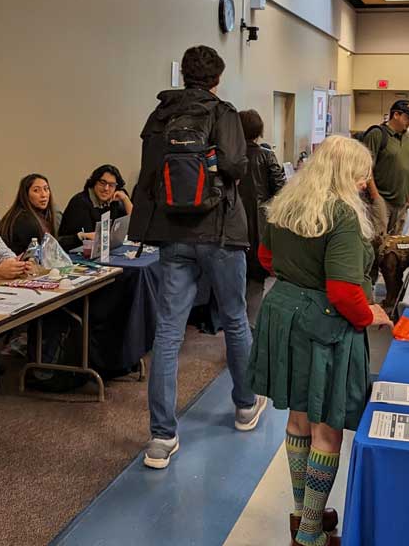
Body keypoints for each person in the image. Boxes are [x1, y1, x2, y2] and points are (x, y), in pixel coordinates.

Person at [249, 135, 393, 546]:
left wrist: (300, 279)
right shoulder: (344, 215)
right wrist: (371, 315)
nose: (367, 181)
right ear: (348, 172)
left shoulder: (288, 204)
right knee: (327, 429)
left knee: (298, 419)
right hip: (324, 325)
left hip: (283, 314)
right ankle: (310, 534)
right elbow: (345, 292)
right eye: (363, 173)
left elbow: (266, 259)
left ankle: (302, 515)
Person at [129, 45, 265, 469]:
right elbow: (235, 166)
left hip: (173, 236)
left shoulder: (159, 115)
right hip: (221, 232)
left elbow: (149, 175)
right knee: (235, 320)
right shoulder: (223, 113)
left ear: (184, 75)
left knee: (168, 333)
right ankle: (244, 406)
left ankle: (161, 438)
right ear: (216, 78)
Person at [238, 109, 287, 318]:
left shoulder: (230, 158)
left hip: (234, 221)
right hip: (260, 223)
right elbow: (282, 190)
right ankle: (252, 320)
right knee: (257, 275)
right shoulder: (267, 156)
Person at [362, 100, 409, 240]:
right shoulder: (377, 134)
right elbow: (365, 168)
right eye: (407, 117)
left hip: (402, 202)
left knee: (394, 245)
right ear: (396, 115)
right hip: (382, 199)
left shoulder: (408, 138)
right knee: (377, 242)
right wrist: (376, 197)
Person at [0, 173, 80, 254]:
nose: (43, 195)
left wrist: (81, 236)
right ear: (25, 195)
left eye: (46, 189)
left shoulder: (43, 214)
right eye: (36, 190)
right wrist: (78, 238)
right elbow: (46, 250)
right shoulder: (24, 219)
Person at [59, 164, 134, 241]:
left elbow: (135, 225)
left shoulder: (114, 202)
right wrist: (84, 236)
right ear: (94, 182)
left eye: (111, 185)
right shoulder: (79, 203)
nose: (106, 188)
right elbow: (64, 240)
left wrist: (125, 199)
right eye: (102, 182)